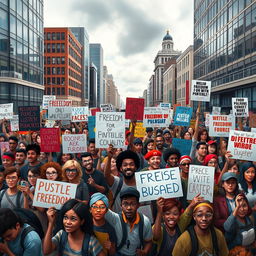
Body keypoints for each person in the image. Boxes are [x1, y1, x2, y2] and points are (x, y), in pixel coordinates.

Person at [105, 187, 153, 256]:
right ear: (121, 205)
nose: (129, 208)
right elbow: (102, 207)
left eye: (133, 203)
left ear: (138, 205)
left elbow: (148, 242)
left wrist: (144, 252)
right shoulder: (115, 218)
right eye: (125, 204)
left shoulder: (145, 222)